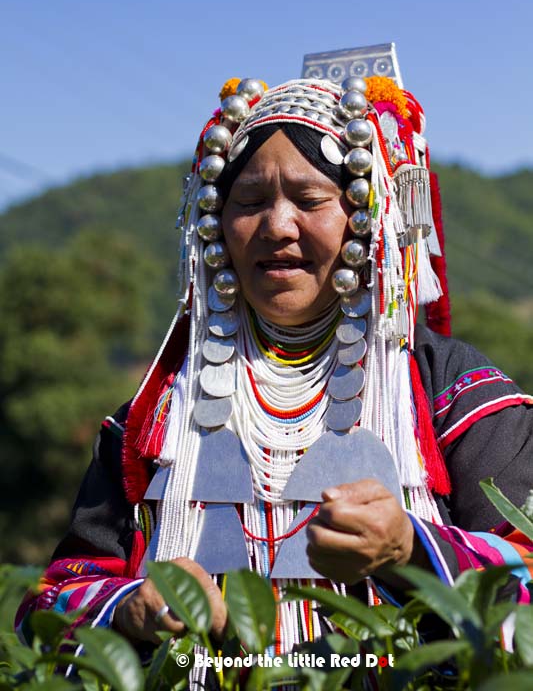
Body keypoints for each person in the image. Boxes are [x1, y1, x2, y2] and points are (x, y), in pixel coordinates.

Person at [16, 72, 533, 682]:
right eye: (251, 202)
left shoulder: (449, 389)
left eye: (310, 200)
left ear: (365, 219)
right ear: (215, 224)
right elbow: (48, 603)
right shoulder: (159, 413)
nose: (277, 227)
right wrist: (129, 609)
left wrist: (410, 550)